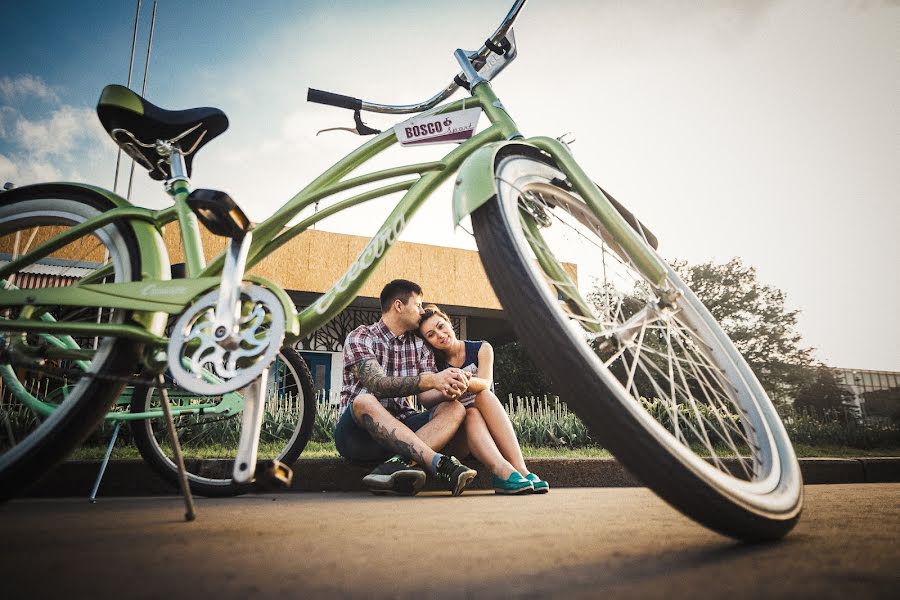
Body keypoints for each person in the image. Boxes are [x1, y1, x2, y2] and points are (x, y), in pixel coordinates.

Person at [334, 279, 478, 496]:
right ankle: (439, 464)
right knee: (365, 399)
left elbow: (428, 395)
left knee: (455, 408)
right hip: (359, 435)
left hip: (406, 428)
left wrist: (449, 387)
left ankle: (394, 465)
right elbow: (377, 384)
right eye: (418, 305)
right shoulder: (361, 337)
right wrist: (432, 379)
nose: (422, 311)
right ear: (399, 306)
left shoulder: (420, 345)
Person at [418, 304, 550, 494]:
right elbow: (424, 398)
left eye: (440, 326)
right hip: (457, 439)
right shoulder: (432, 361)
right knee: (468, 412)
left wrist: (460, 379)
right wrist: (443, 388)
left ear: (448, 322)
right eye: (430, 335)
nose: (439, 335)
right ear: (428, 341)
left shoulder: (482, 348)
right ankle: (502, 471)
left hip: (486, 435)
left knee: (483, 397)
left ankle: (519, 468)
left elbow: (485, 382)